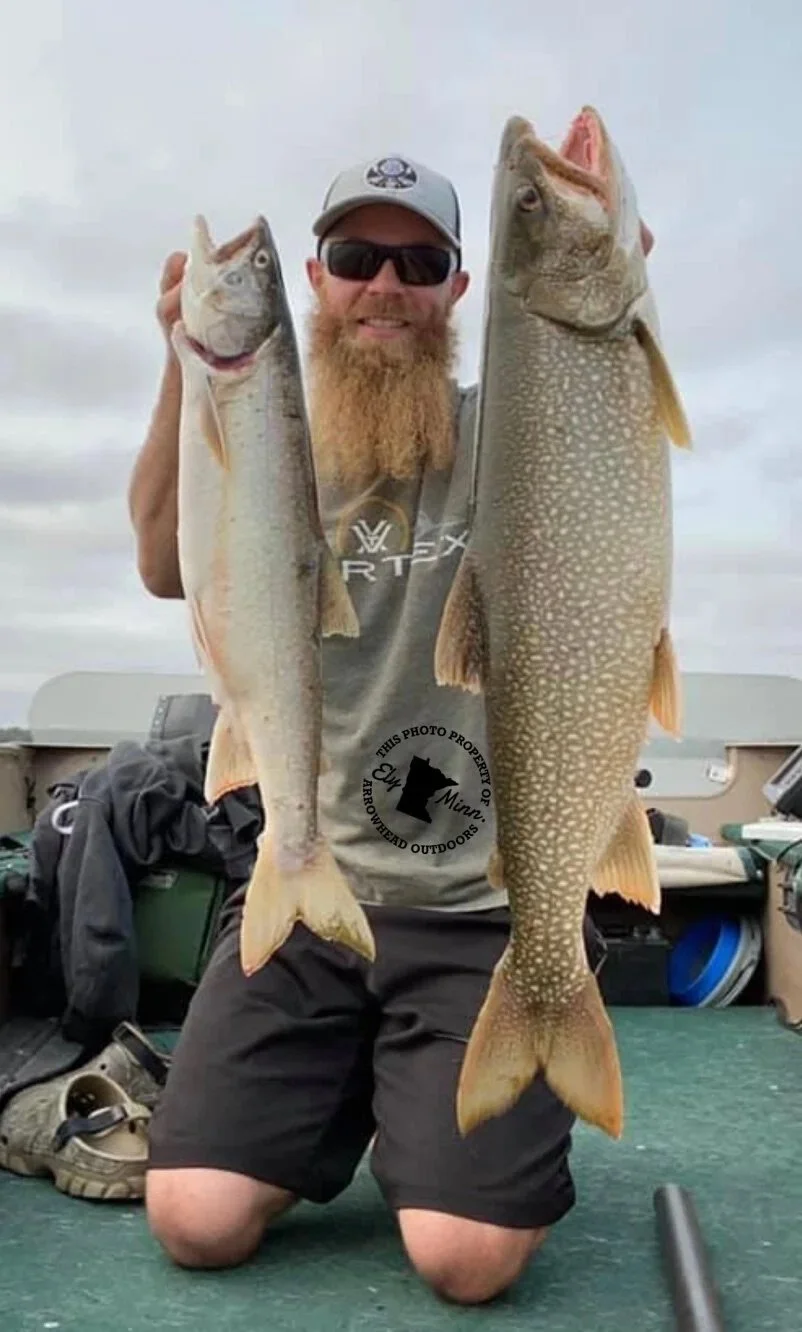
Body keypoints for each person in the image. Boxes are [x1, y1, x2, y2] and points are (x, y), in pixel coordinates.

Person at [129, 152, 648, 1305]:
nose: (386, 288)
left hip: (477, 916)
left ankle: (427, 1093)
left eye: (419, 264)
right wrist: (187, 368)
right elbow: (167, 564)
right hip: (312, 891)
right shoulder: (268, 440)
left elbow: (593, 390)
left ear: (460, 291)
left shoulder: (512, 437)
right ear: (314, 278)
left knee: (465, 1263)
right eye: (359, 260)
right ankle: (371, 1081)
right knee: (194, 1221)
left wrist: (600, 297)